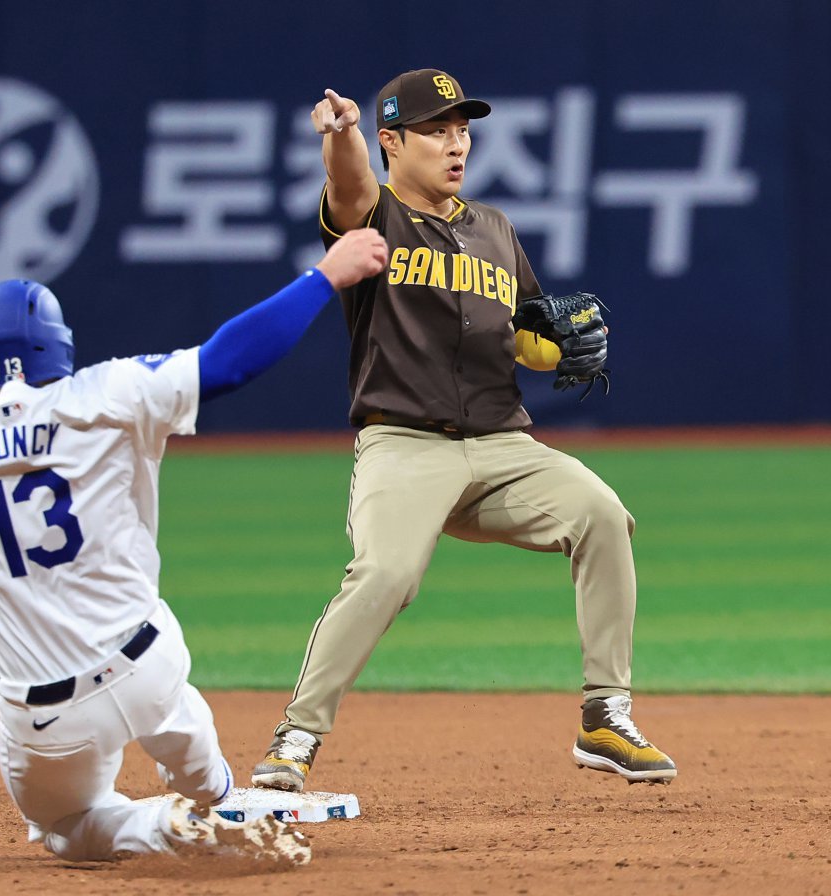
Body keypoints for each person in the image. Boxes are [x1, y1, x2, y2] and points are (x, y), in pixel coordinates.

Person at [0, 228, 388, 864]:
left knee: (68, 828)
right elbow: (228, 361)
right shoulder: (113, 391)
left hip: (49, 718)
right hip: (151, 667)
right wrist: (324, 275)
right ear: (64, 350)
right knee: (173, 708)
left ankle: (160, 827)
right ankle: (212, 793)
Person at [250, 69, 676, 793]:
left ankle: (605, 715)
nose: (457, 144)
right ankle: (296, 736)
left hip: (503, 446)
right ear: (392, 141)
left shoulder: (495, 231)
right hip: (405, 445)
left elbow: (531, 333)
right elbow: (350, 187)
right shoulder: (375, 216)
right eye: (437, 130)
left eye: (463, 129)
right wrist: (343, 136)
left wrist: (555, 345)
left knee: (603, 515)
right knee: (385, 575)